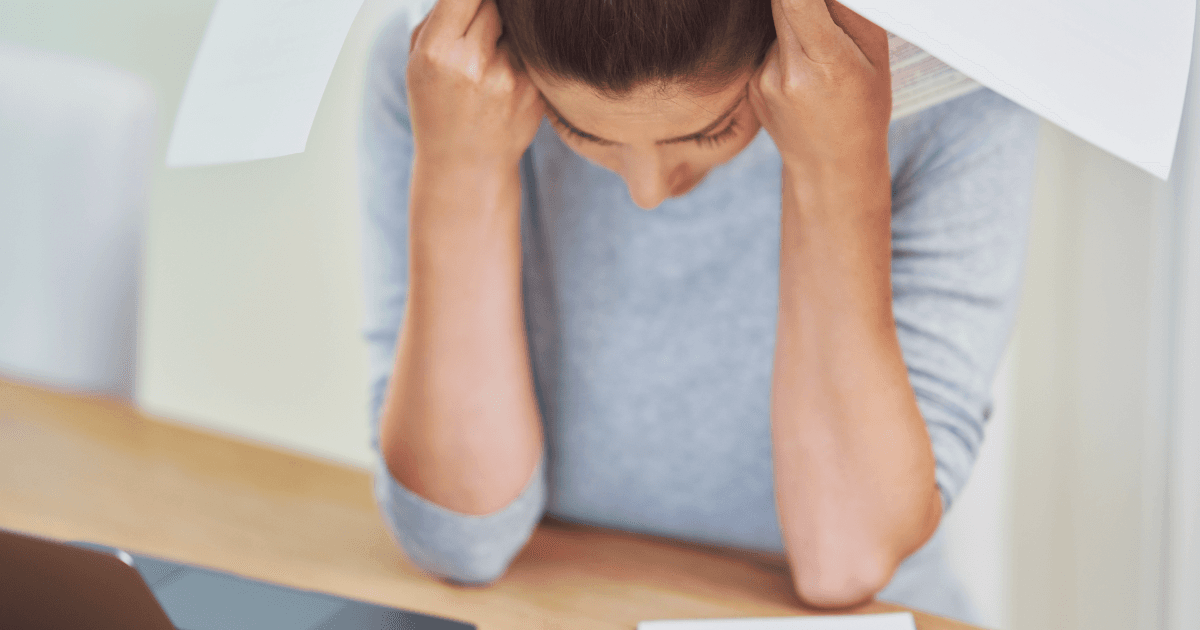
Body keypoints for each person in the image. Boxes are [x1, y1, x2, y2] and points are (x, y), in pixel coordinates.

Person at [358, 0, 1040, 622]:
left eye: (711, 132)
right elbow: (456, 541)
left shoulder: (960, 103)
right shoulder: (449, 75)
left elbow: (846, 562)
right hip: (559, 603)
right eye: (576, 127)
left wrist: (837, 163)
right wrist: (460, 163)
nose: (648, 190)